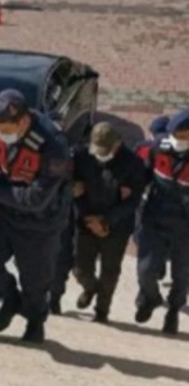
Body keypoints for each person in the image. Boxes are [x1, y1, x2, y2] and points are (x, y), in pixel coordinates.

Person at [0, 89, 72, 343]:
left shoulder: (53, 146)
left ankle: (35, 322)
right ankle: (10, 298)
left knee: (36, 282)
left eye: (6, 128)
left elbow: (37, 199)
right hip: (5, 214)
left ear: (24, 121)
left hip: (40, 224)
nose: (1, 134)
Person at [71, 122, 147, 323]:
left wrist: (105, 221)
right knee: (79, 267)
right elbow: (75, 187)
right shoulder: (82, 156)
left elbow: (133, 200)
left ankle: (102, 310)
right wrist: (89, 217)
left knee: (110, 271)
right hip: (86, 220)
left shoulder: (133, 163)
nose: (101, 154)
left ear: (118, 144)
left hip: (116, 225)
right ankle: (90, 287)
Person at [134, 109, 189, 334]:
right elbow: (140, 177)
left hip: (185, 227)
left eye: (184, 136)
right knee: (145, 270)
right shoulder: (157, 149)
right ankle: (151, 298)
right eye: (176, 134)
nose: (178, 140)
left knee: (181, 275)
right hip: (155, 218)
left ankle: (173, 311)